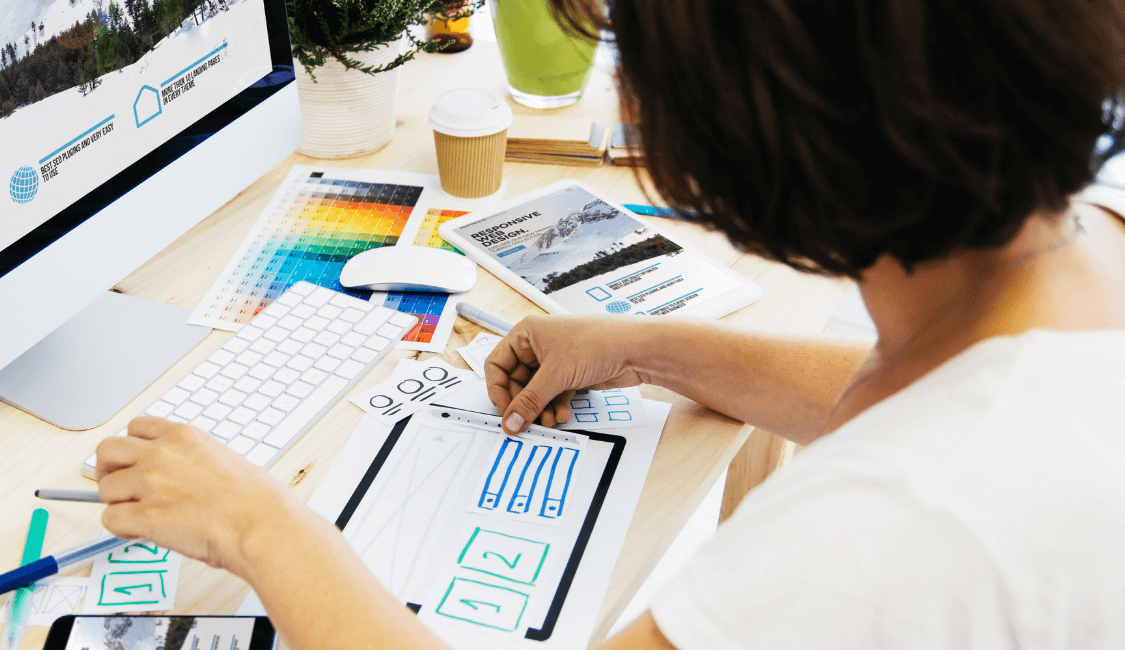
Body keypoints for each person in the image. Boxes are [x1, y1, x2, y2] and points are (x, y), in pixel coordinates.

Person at [93, 0, 1125, 647]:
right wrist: (643, 344)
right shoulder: (1086, 249)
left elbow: (921, 461)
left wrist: (262, 527)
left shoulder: (888, 528)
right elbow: (926, 390)